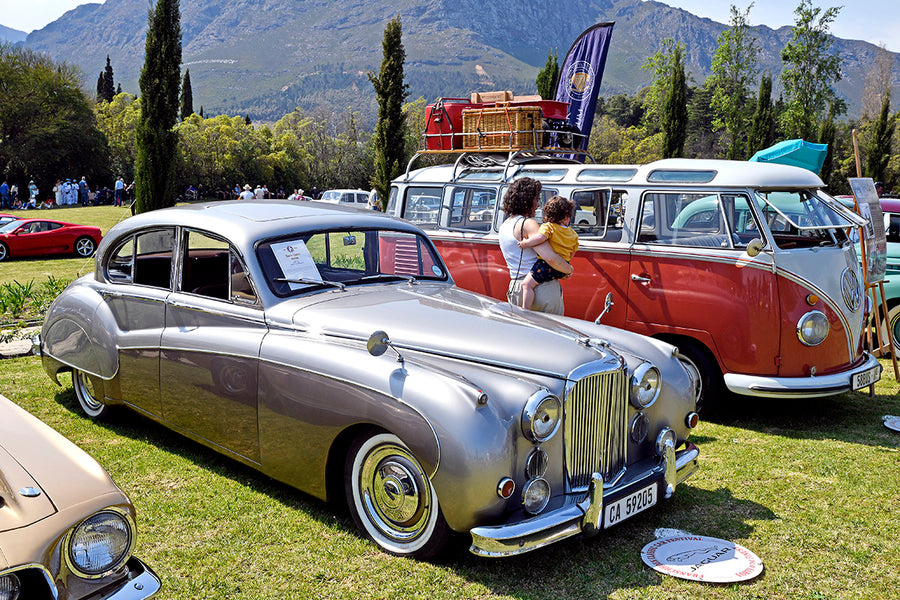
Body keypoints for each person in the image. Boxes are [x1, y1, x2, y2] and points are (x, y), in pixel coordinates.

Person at [498, 177, 573, 314]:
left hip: (516, 287)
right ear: (526, 200)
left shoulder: (504, 226)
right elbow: (550, 257)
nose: (538, 205)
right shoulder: (528, 224)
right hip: (541, 288)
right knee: (550, 333)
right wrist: (568, 269)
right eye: (536, 200)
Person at [517, 195, 578, 310]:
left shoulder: (548, 227)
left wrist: (526, 243)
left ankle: (525, 310)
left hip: (545, 266)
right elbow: (572, 252)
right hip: (561, 269)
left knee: (526, 285)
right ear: (566, 216)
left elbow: (539, 238)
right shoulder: (573, 234)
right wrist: (565, 266)